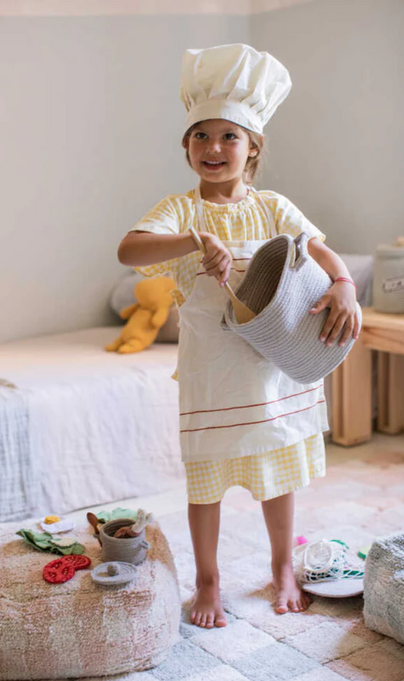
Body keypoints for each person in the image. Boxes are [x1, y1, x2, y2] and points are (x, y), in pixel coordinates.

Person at [117, 44, 359, 627]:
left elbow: (318, 249)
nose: (214, 147)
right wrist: (195, 240)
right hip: (213, 373)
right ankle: (208, 579)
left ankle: (282, 566)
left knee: (278, 473)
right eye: (201, 136)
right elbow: (129, 250)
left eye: (230, 136)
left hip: (272, 368)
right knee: (206, 482)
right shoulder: (180, 210)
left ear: (253, 147)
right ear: (186, 147)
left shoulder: (273, 206)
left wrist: (345, 284)